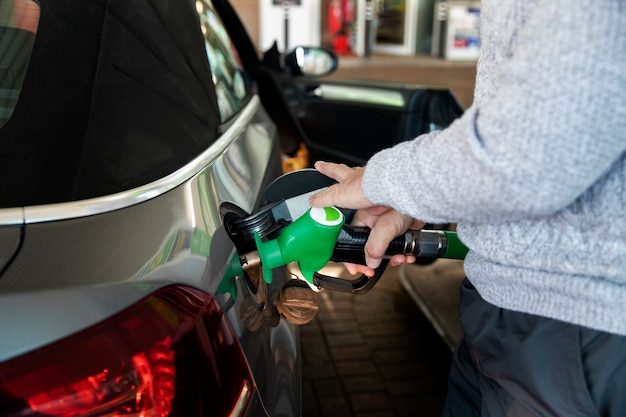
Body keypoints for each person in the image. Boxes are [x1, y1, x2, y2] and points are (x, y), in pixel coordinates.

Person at [309, 0, 626, 415]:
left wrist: (379, 181)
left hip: (573, 323)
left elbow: (530, 151)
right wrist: (413, 201)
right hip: (500, 313)